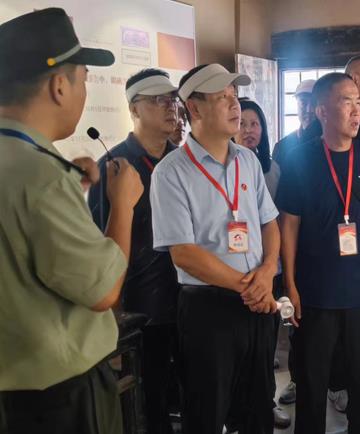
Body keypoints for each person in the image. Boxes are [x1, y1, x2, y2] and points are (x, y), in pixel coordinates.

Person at [0, 8, 144, 434]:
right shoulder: (42, 176)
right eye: (83, 78)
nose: (83, 89)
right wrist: (122, 205)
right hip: (59, 396)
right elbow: (103, 290)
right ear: (59, 86)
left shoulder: (27, 167)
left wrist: (69, 189)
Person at [150, 63, 280, 434]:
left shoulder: (247, 160)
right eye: (222, 97)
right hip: (209, 310)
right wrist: (250, 287)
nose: (234, 104)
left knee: (259, 409)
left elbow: (269, 223)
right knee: (207, 412)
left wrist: (267, 272)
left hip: (257, 302)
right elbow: (184, 254)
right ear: (194, 108)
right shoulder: (171, 172)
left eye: (234, 95)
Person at [276, 72, 360, 434]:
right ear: (322, 111)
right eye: (347, 101)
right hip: (315, 294)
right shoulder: (299, 159)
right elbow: (289, 224)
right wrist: (290, 284)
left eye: (358, 102)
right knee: (312, 384)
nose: (357, 111)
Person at [88, 68, 180, 434]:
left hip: (189, 298)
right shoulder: (115, 167)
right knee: (150, 404)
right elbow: (102, 243)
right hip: (142, 309)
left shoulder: (184, 160)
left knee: (192, 394)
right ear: (134, 109)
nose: (170, 106)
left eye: (172, 99)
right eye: (158, 100)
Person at [233, 98, 291, 429]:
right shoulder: (222, 168)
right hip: (233, 273)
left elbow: (280, 222)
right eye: (242, 123)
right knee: (237, 348)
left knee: (266, 344)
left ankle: (266, 404)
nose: (249, 130)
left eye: (255, 124)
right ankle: (237, 410)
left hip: (270, 269)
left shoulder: (272, 170)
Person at [272, 79, 315, 165]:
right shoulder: (282, 147)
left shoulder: (333, 144)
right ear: (297, 104)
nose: (309, 110)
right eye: (303, 103)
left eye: (314, 103)